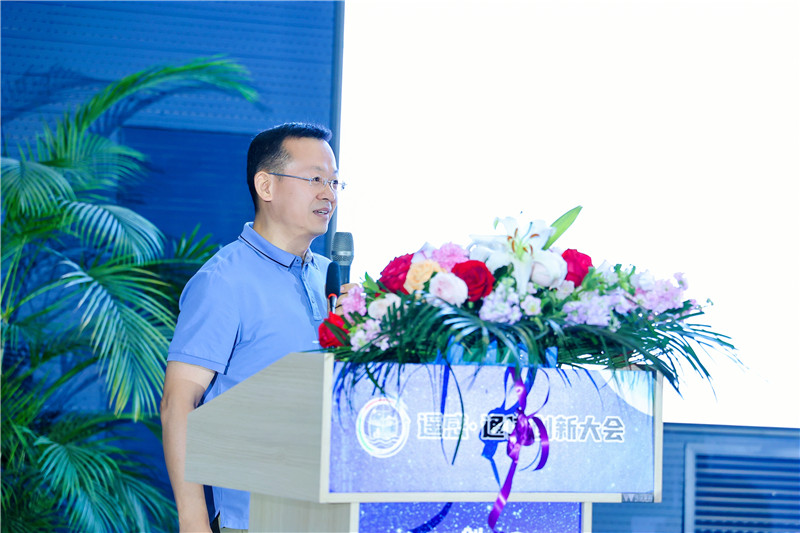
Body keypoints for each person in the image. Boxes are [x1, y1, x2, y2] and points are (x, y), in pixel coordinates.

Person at [160, 122, 342, 532]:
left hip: (335, 514)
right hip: (256, 518)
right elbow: (178, 402)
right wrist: (194, 521)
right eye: (315, 179)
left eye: (334, 182)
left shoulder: (331, 277)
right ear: (266, 185)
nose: (329, 194)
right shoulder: (223, 281)